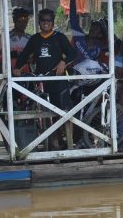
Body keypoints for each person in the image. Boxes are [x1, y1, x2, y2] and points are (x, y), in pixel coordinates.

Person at [14, 9, 76, 149]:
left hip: (58, 81)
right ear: (39, 22)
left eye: (49, 20)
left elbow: (72, 54)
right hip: (42, 81)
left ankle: (69, 142)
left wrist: (62, 62)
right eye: (43, 20)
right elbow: (24, 55)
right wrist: (17, 67)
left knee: (64, 112)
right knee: (47, 114)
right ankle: (53, 141)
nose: (46, 23)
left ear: (52, 22)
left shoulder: (59, 37)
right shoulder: (35, 39)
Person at [0, 7, 31, 74]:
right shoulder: (3, 38)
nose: (23, 24)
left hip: (26, 74)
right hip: (9, 74)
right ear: (14, 20)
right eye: (20, 21)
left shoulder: (30, 38)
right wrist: (11, 54)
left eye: (25, 22)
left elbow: (33, 58)